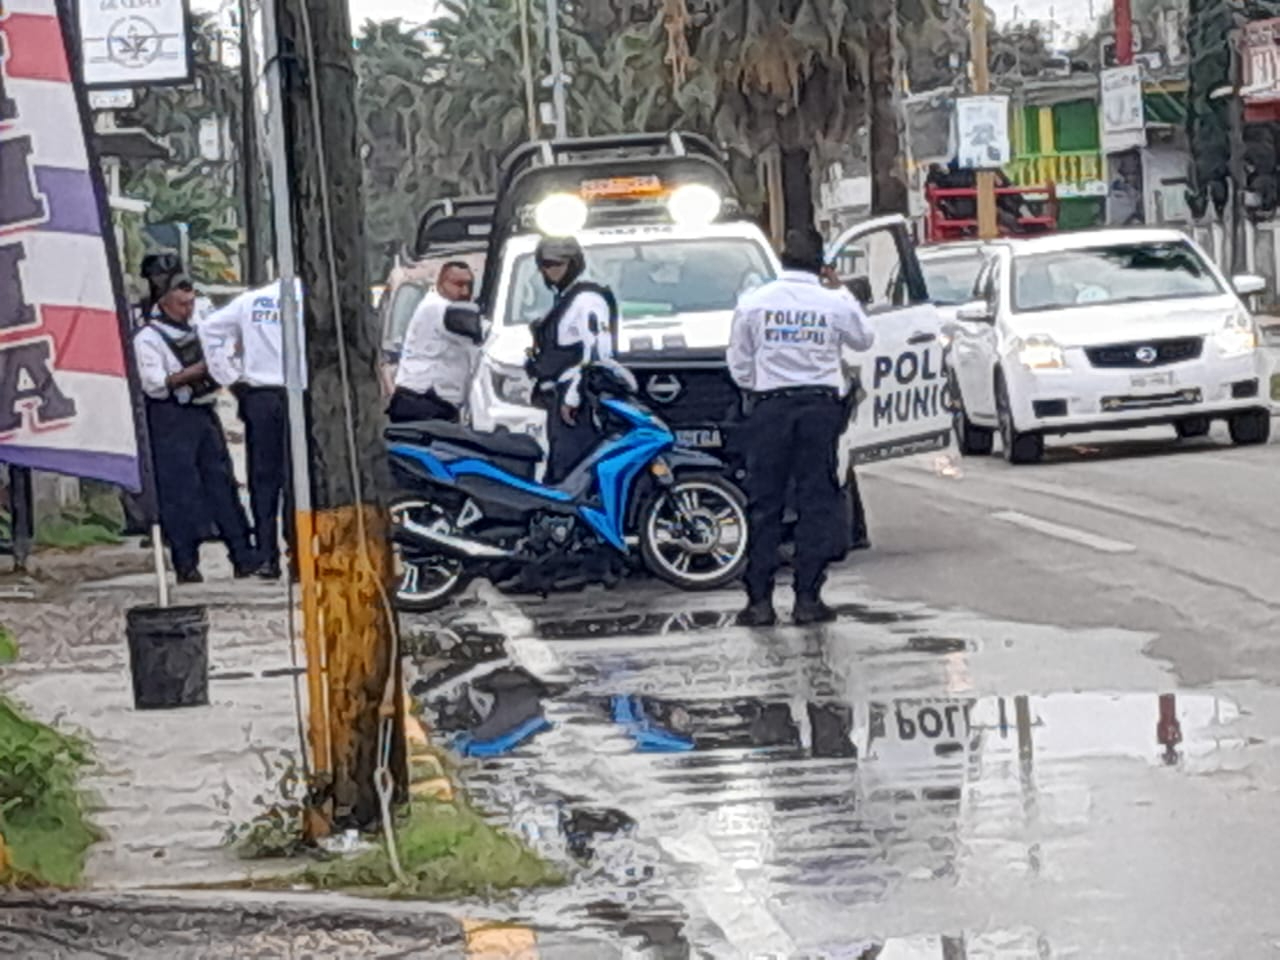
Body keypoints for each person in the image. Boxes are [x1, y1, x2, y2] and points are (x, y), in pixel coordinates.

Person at [727, 227, 875, 627]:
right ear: (821, 264)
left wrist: (762, 387)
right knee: (815, 501)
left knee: (764, 503)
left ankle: (758, 602)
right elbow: (864, 338)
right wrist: (842, 290)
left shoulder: (755, 302)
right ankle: (807, 598)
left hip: (770, 407)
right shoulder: (832, 302)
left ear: (781, 260)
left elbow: (739, 365)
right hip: (820, 409)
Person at [133, 271, 256, 584]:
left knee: (222, 485)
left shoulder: (202, 326)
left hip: (203, 414)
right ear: (164, 303)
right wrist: (196, 371)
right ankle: (186, 563)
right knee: (178, 492)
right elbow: (155, 385)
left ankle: (242, 555)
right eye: (181, 304)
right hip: (169, 418)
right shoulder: (148, 338)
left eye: (190, 303)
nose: (188, 309)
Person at [200, 279, 304, 581]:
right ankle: (299, 559)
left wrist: (228, 375)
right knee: (299, 479)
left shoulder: (252, 301)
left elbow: (209, 329)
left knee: (263, 481)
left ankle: (267, 557)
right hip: (299, 394)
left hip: (259, 394)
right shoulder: (310, 297)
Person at [524, 236, 619, 485]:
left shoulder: (587, 300)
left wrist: (573, 397)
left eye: (558, 264)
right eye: (545, 264)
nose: (550, 270)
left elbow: (597, 354)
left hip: (578, 403)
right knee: (561, 468)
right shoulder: (565, 299)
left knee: (576, 469)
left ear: (574, 264)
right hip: (558, 399)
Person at [387, 262, 479, 424]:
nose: (465, 291)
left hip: (434, 404)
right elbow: (482, 332)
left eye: (469, 285)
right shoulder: (438, 308)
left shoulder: (448, 308)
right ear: (440, 284)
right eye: (458, 284)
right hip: (421, 404)